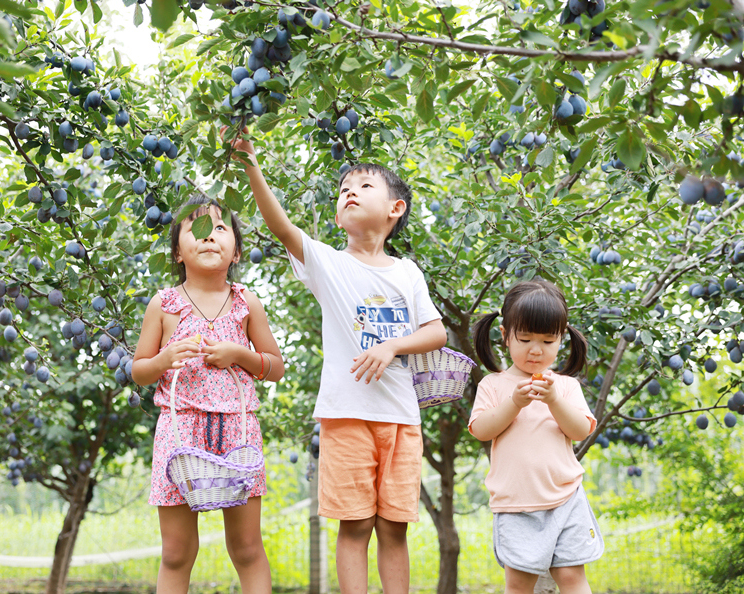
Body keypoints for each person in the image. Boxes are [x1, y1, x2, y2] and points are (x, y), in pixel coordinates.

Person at [230, 128, 448, 594]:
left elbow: (437, 332)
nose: (350, 191)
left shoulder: (407, 271)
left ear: (395, 209)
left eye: (365, 186)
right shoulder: (328, 263)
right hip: (347, 416)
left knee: (395, 529)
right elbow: (281, 226)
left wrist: (392, 346)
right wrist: (250, 162)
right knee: (355, 526)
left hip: (401, 419)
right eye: (344, 189)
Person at [132, 194, 284, 594]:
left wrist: (239, 354)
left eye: (220, 228)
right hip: (179, 434)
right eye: (196, 229)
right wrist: (165, 358)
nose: (209, 237)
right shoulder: (163, 305)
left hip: (239, 433)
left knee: (248, 548)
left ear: (235, 251)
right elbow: (139, 372)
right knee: (177, 553)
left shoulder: (246, 302)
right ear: (178, 252)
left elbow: (275, 367)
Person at [469, 279, 603, 594]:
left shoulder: (566, 386)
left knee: (572, 577)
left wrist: (554, 399)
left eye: (547, 341)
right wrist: (514, 402)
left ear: (562, 339)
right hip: (516, 505)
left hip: (566, 498)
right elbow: (481, 430)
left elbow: (580, 430)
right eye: (526, 338)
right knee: (519, 583)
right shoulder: (494, 385)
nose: (536, 350)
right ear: (504, 336)